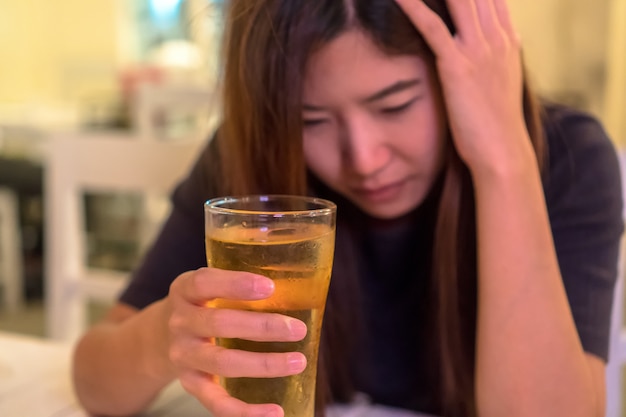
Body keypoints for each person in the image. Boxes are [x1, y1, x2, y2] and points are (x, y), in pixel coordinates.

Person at [72, 0, 624, 416]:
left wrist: (503, 162)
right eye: (311, 120)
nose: (363, 158)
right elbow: (93, 383)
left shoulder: (564, 158)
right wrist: (163, 338)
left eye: (396, 104)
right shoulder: (255, 176)